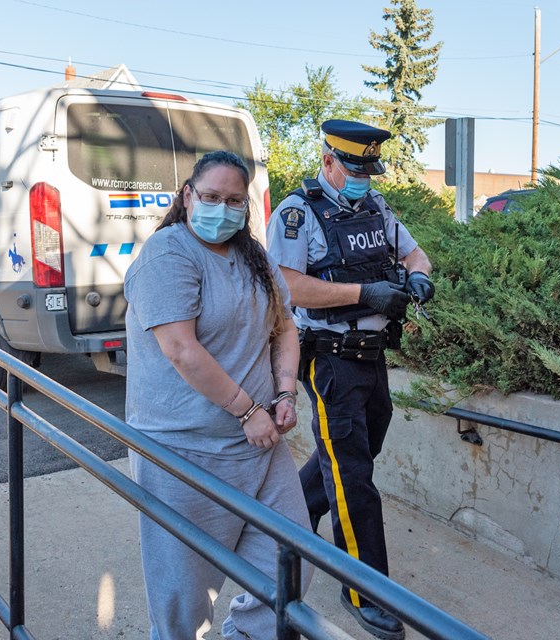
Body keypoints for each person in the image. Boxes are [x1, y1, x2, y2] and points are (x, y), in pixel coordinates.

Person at [123, 150, 314, 640]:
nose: (222, 209)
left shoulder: (254, 257)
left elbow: (284, 327)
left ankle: (245, 634)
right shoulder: (168, 255)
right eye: (210, 197)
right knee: (185, 601)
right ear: (188, 196)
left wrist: (285, 391)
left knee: (292, 563)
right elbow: (181, 349)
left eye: (234, 200)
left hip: (258, 448)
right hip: (184, 452)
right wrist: (248, 409)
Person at [265, 120, 435, 640]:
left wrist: (420, 276)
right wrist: (366, 295)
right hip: (331, 360)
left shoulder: (376, 208)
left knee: (353, 458)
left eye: (369, 170)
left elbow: (412, 253)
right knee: (355, 475)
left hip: (373, 359)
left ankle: (290, 521)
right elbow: (289, 286)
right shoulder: (297, 214)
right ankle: (364, 590)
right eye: (355, 170)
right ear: (329, 162)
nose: (363, 179)